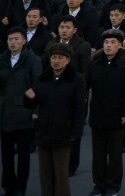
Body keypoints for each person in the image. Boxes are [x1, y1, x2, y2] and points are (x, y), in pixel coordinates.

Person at [25, 42, 86, 196]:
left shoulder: (77, 79)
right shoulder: (41, 79)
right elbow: (33, 103)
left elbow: (80, 109)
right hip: (43, 132)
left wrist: (75, 133)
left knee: (61, 176)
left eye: (60, 58)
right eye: (53, 57)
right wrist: (29, 99)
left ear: (67, 60)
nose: (56, 61)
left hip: (64, 134)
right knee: (45, 176)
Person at [85, 29, 125, 196]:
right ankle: (98, 184)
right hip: (97, 113)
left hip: (118, 116)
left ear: (120, 45)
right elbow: (85, 86)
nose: (109, 46)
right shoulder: (94, 63)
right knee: (98, 154)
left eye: (113, 43)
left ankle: (113, 185)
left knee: (115, 154)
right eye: (106, 43)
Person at [0, 25, 42, 196]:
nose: (13, 42)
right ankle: (8, 186)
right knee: (6, 155)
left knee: (24, 156)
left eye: (17, 39)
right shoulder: (2, 59)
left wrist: (36, 110)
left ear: (24, 41)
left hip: (25, 112)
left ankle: (20, 188)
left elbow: (38, 87)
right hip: (5, 113)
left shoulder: (33, 61)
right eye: (10, 39)